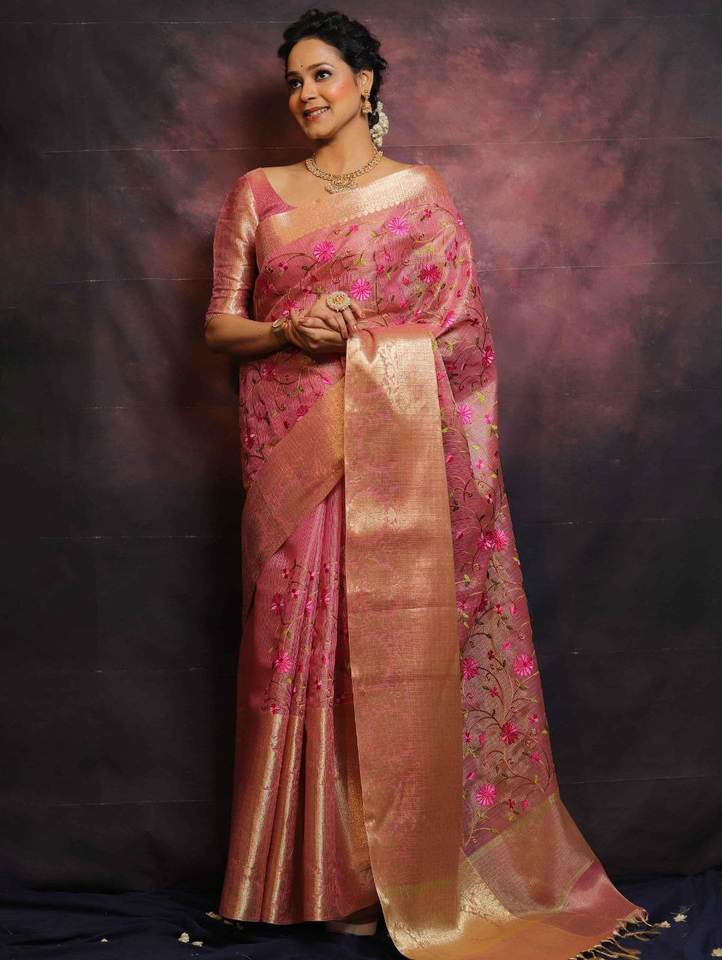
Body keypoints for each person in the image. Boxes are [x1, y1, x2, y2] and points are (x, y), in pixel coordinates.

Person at [203, 8, 668, 959]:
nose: (307, 94)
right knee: (294, 655)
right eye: (295, 81)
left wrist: (364, 344)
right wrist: (290, 330)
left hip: (395, 460)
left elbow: (461, 337)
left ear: (365, 82)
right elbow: (220, 327)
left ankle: (387, 877)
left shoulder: (421, 195)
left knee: (385, 656)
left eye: (324, 74)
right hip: (294, 457)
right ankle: (300, 882)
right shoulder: (258, 193)